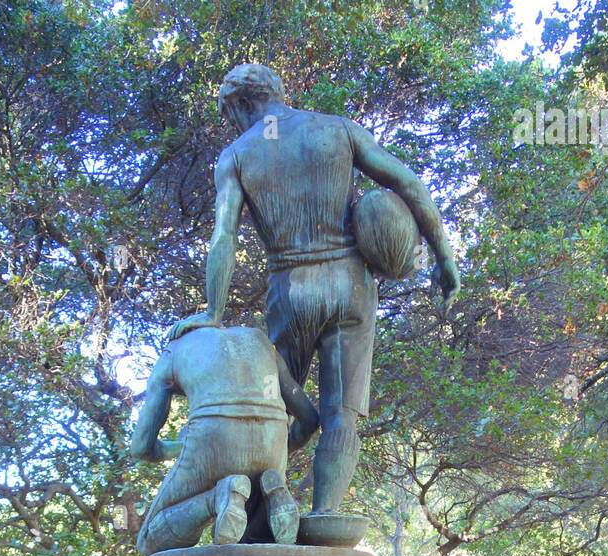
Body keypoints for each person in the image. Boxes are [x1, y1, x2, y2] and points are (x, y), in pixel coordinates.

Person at [171, 63, 460, 516]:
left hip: (291, 291)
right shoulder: (338, 130)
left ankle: (256, 505)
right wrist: (443, 255)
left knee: (267, 408)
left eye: (233, 116)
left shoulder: (237, 155)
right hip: (351, 288)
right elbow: (407, 182)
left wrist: (213, 312)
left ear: (244, 104)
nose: (235, 126)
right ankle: (324, 515)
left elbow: (223, 237)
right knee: (340, 415)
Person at [132, 323, 319, 556]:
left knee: (149, 542)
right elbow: (310, 420)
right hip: (271, 445)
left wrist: (178, 447)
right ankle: (275, 490)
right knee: (256, 533)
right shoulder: (260, 342)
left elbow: (141, 448)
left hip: (213, 438)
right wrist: (280, 449)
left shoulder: (173, 351)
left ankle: (216, 497)